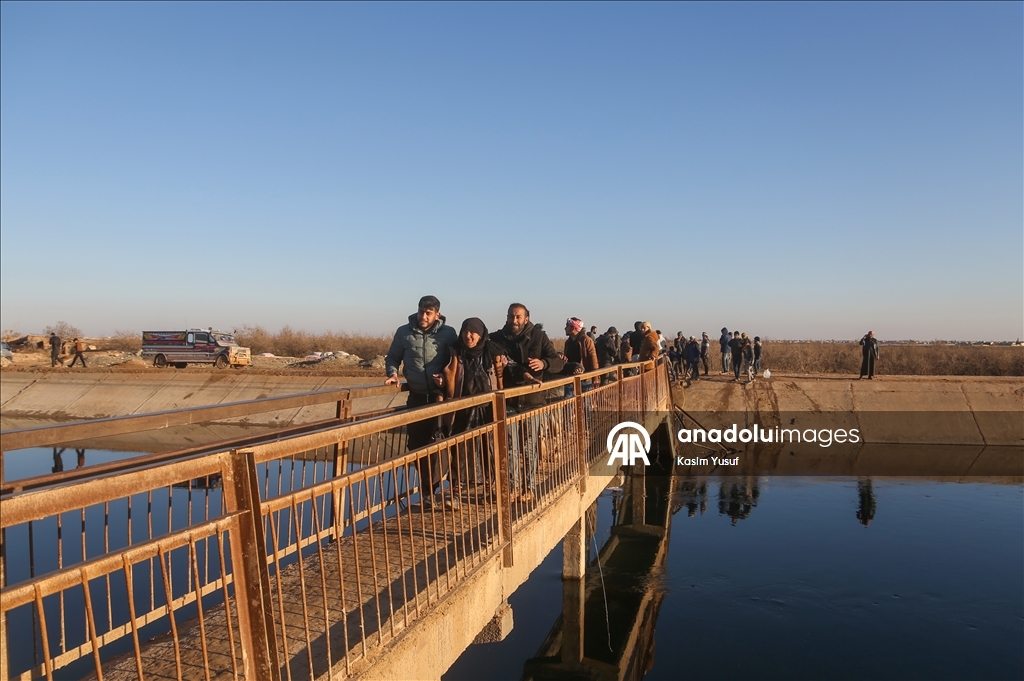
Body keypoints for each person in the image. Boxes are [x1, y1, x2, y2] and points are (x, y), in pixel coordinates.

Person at [384, 295, 458, 506]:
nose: (423, 317)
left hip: (438, 397)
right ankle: (427, 490)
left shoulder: (448, 333)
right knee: (416, 444)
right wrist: (393, 373)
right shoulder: (404, 332)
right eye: (421, 312)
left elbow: (455, 360)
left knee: (437, 442)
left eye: (428, 313)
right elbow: (393, 357)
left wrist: (445, 377)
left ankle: (434, 490)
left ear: (437, 314)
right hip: (416, 396)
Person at [490, 303, 564, 501]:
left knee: (530, 445)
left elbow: (558, 362)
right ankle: (513, 486)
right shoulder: (498, 338)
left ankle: (528, 488)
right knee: (511, 445)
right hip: (510, 399)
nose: (513, 321)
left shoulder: (538, 336)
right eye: (510, 317)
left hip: (533, 399)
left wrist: (544, 363)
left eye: (518, 317)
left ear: (526, 319)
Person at [440, 318, 507, 500]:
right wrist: (441, 380)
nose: (468, 336)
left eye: (472, 332)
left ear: (481, 334)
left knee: (489, 447)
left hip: (487, 407)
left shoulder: (493, 352)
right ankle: (455, 489)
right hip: (462, 406)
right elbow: (446, 373)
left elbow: (505, 373)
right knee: (458, 447)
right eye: (465, 332)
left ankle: (489, 488)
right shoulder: (455, 352)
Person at [563, 317, 599, 391]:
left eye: (567, 326)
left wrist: (595, 377)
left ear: (573, 328)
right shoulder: (568, 343)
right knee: (569, 401)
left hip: (585, 378)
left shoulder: (587, 340)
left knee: (586, 401)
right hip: (570, 378)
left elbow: (593, 358)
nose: (565, 328)